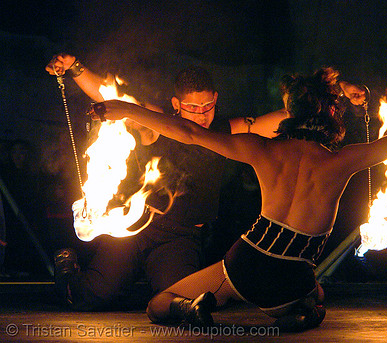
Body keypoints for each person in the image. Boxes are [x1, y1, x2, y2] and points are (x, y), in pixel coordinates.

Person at [89, 66, 387, 331]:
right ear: (331, 116)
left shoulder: (261, 149)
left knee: (159, 303)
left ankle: (187, 306)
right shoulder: (341, 161)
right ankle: (305, 315)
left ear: (291, 114)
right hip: (291, 279)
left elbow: (189, 133)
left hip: (245, 262)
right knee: (316, 296)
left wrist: (121, 108)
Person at [45, 54, 366, 311]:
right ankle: (66, 267)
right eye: (191, 107)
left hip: (179, 238)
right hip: (132, 231)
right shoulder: (156, 124)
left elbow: (294, 115)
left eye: (207, 106)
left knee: (181, 302)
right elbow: (114, 99)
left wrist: (335, 95)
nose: (200, 115)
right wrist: (76, 68)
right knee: (89, 298)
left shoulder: (229, 129)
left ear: (215, 98)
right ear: (176, 104)